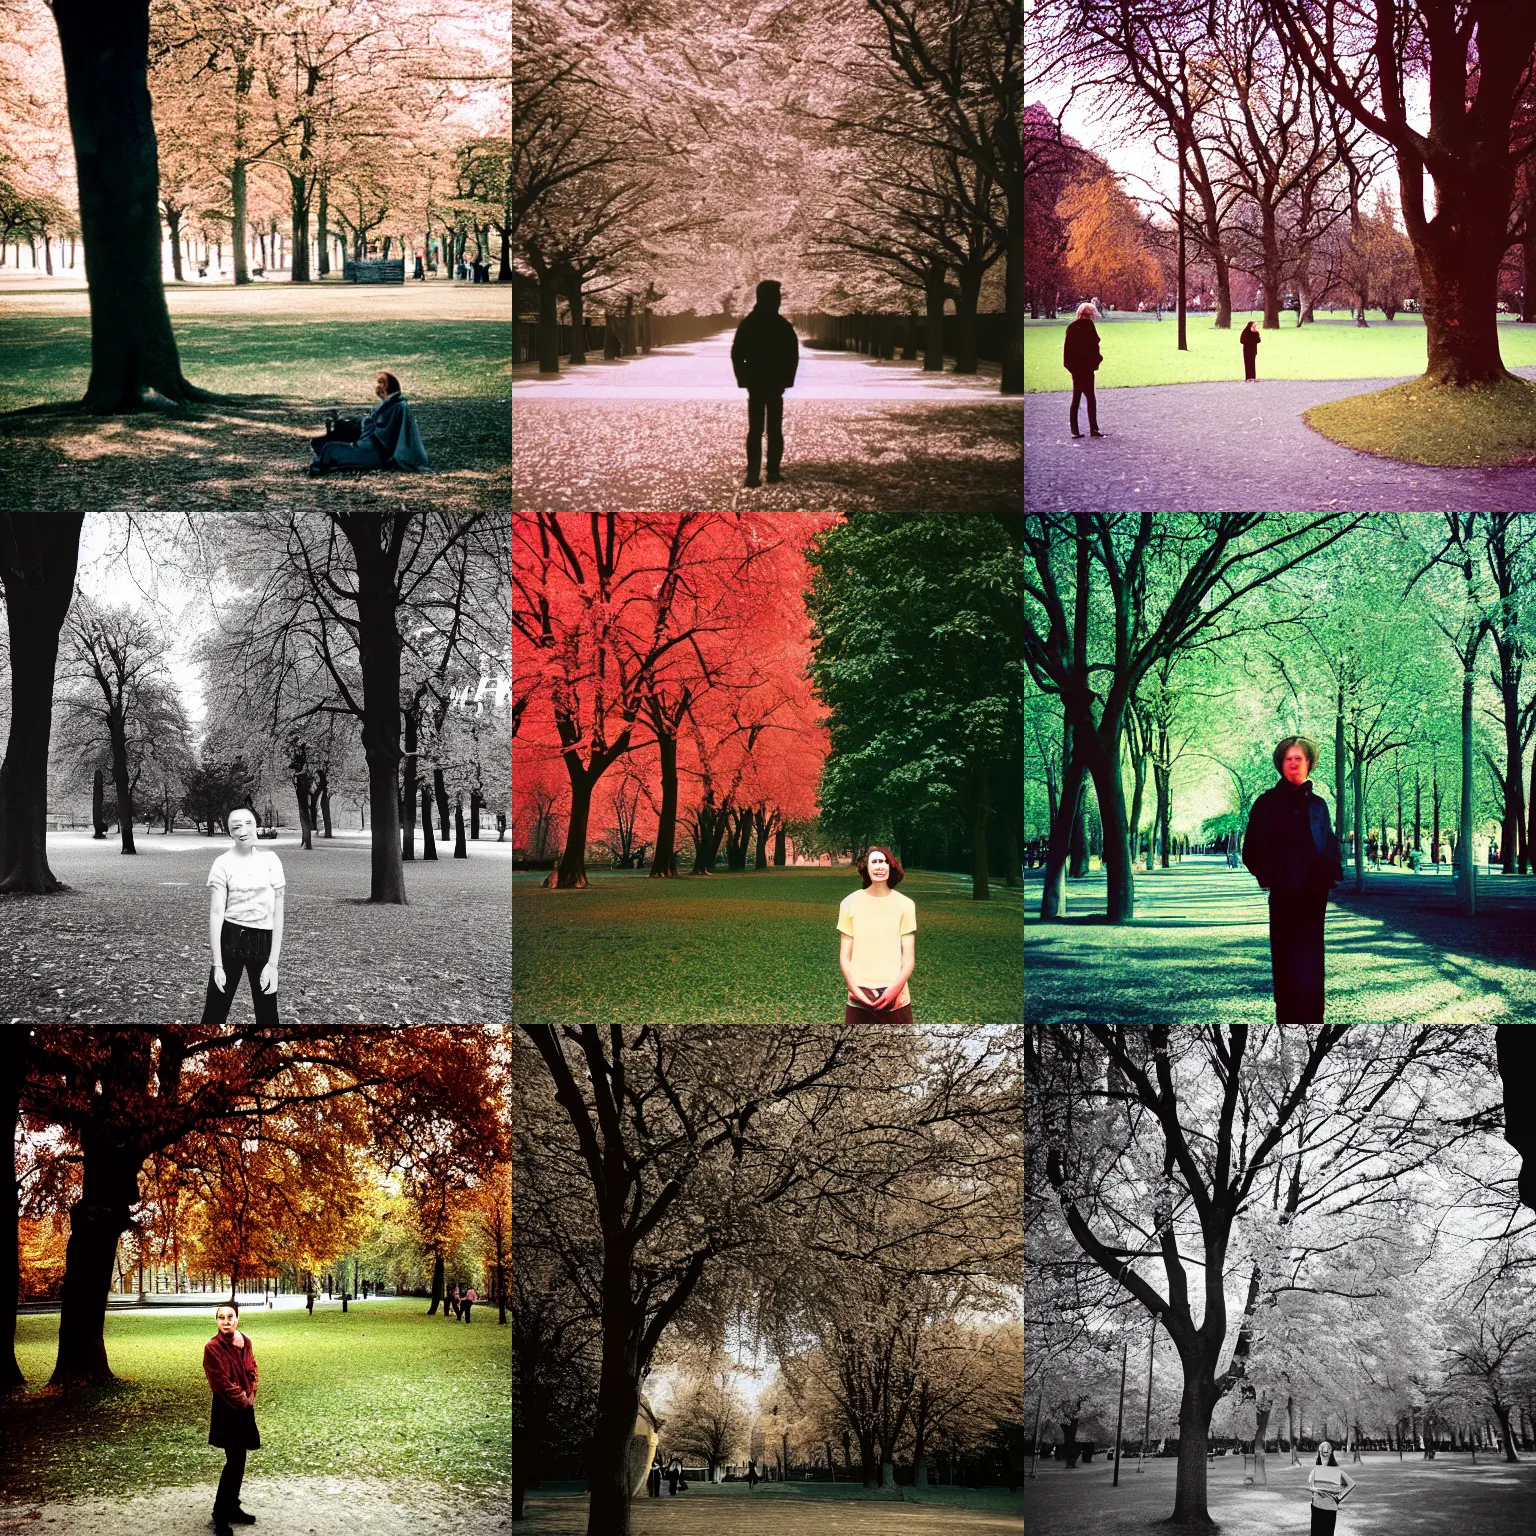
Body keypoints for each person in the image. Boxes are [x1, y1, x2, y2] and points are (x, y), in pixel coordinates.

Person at [1242, 736, 1343, 1023]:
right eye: (1289, 758)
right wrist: (1274, 876)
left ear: (1309, 763)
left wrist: (1330, 872)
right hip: (1286, 894)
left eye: (1300, 758)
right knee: (1287, 961)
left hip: (1314, 896)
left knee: (1311, 959)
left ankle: (1313, 1016)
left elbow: (1328, 841)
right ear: (1280, 764)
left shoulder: (1319, 806)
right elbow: (1251, 850)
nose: (1294, 763)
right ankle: (1287, 1016)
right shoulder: (1266, 803)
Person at [203, 808, 284, 1025]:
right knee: (214, 1013)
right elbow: (216, 912)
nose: (244, 830)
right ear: (230, 832)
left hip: (262, 942)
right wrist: (217, 965)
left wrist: (273, 964)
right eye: (236, 826)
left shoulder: (272, 860)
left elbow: (278, 913)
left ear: (256, 824)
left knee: (268, 1017)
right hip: (230, 940)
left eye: (248, 823)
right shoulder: (222, 863)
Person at [730, 279, 799, 486]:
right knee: (774, 429)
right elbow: (792, 355)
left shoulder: (749, 323)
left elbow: (736, 353)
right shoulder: (781, 325)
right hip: (774, 382)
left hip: (756, 382)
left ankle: (753, 474)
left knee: (756, 429)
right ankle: (773, 471)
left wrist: (744, 378)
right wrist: (787, 379)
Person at [837, 846, 917, 1023]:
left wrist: (893, 991)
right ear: (866, 868)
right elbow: (845, 956)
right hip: (859, 998)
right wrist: (855, 990)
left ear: (891, 866)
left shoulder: (906, 905)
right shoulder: (849, 903)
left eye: (884, 861)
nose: (879, 866)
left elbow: (909, 959)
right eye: (874, 862)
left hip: (897, 999)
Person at [203, 1302, 260, 1534]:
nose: (226, 1321)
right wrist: (243, 1399)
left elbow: (252, 1368)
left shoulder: (245, 1341)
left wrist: (252, 1391)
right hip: (227, 1409)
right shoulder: (212, 1347)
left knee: (240, 1461)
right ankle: (221, 1514)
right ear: (217, 1321)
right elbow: (220, 1383)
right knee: (233, 1462)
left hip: (245, 1405)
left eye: (230, 1317)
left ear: (237, 1319)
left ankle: (233, 1507)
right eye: (221, 1317)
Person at [308, 371, 430, 476]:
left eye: (380, 383)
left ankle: (330, 465)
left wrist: (358, 426)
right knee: (324, 444)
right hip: (369, 447)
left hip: (372, 452)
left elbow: (381, 432)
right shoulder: (390, 404)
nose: (377, 386)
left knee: (329, 448)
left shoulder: (396, 406)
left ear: (386, 386)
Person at [1062, 301, 1105, 437]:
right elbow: (1094, 347)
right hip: (1086, 368)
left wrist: (1071, 368)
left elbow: (1067, 352)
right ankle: (1094, 429)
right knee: (1090, 398)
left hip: (1075, 368)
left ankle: (1075, 430)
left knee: (1076, 399)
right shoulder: (1088, 326)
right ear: (1089, 314)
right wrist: (1097, 361)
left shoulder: (1071, 327)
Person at [1306, 1440, 1355, 1534]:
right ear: (1320, 1451)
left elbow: (1351, 1484)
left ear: (1330, 1451)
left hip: (1330, 1507)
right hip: (1317, 1506)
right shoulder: (1316, 1470)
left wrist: (1339, 1497)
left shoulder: (1337, 1471)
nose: (1325, 1449)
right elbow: (1311, 1486)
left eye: (1328, 1447)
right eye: (1323, 1447)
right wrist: (1316, 1490)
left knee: (1327, 1532)